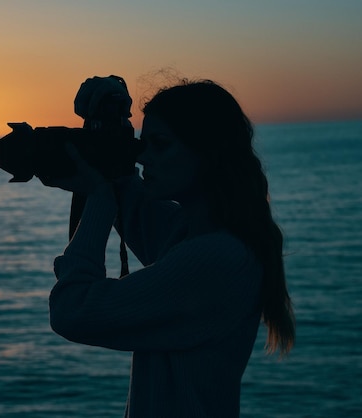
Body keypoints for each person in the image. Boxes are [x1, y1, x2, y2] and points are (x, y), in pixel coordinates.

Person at [45, 79, 295, 417]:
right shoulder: (193, 234)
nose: (143, 156)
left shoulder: (215, 259)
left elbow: (72, 310)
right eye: (142, 143)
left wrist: (99, 200)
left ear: (208, 153)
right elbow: (130, 199)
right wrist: (108, 124)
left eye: (160, 145)